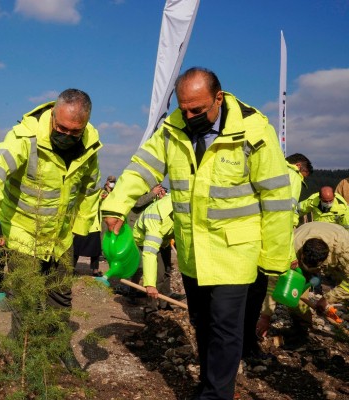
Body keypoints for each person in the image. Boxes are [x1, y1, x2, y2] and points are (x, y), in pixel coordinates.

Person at [102, 67, 293, 399]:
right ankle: (209, 382)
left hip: (236, 253)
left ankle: (217, 394)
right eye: (184, 108)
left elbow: (276, 198)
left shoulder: (254, 132)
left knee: (224, 326)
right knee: (202, 323)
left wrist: (275, 258)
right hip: (192, 253)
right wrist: (116, 205)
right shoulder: (173, 127)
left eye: (197, 110)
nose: (189, 116)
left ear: (218, 98)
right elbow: (142, 166)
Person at [0, 88, 103, 371]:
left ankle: (60, 346)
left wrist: (81, 227)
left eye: (74, 132)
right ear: (52, 114)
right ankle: (21, 355)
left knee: (61, 295)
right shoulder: (24, 137)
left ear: (85, 126)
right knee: (24, 296)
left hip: (60, 237)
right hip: (23, 233)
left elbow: (90, 187)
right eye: (61, 128)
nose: (66, 135)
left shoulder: (90, 146)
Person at [243, 152, 313, 359]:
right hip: (272, 239)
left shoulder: (269, 166)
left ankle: (244, 337)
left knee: (248, 289)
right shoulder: (292, 175)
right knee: (261, 288)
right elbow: (284, 216)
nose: (303, 180)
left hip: (251, 235)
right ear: (299, 166)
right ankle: (248, 343)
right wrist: (289, 253)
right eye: (305, 176)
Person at [256, 222, 348, 347]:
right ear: (302, 255)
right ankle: (302, 330)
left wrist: (327, 299)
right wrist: (265, 316)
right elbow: (274, 284)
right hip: (296, 258)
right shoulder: (290, 250)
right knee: (293, 295)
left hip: (339, 252)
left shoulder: (344, 250)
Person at [132, 196, 178, 311]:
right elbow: (150, 253)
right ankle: (150, 308)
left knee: (166, 271)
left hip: (164, 240)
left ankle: (164, 304)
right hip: (145, 239)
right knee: (158, 274)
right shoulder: (156, 217)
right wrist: (150, 285)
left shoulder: (181, 205)